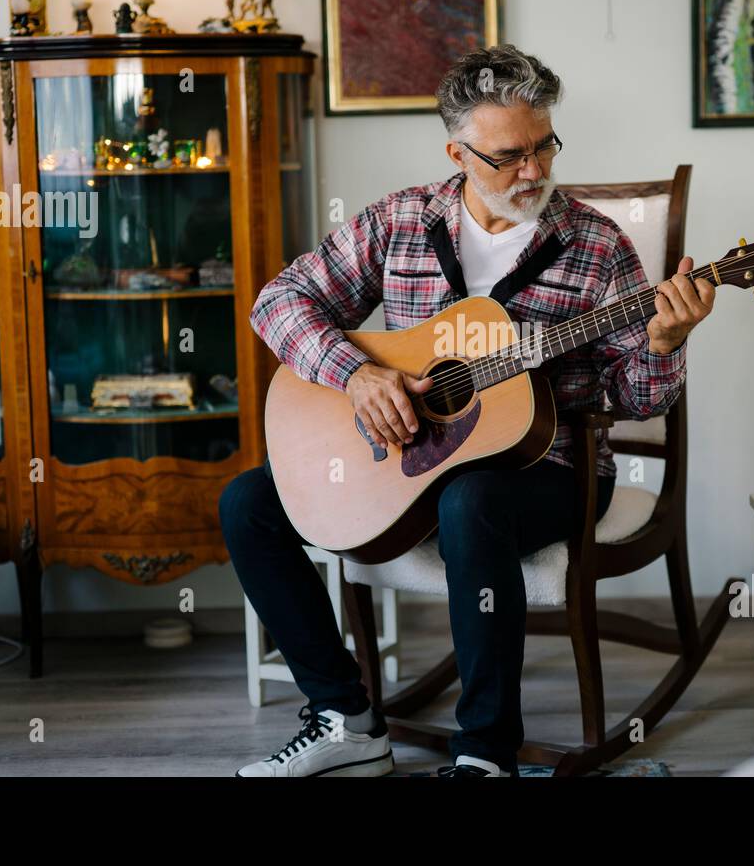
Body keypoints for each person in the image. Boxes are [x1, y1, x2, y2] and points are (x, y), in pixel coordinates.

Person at [220, 44, 715, 777]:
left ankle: (486, 755)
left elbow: (635, 398)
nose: (536, 171)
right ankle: (348, 720)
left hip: (555, 468)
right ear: (457, 150)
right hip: (415, 460)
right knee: (247, 504)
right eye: (510, 155)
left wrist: (665, 340)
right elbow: (279, 302)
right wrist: (357, 376)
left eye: (545, 145)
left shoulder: (596, 245)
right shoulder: (401, 221)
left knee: (472, 501)